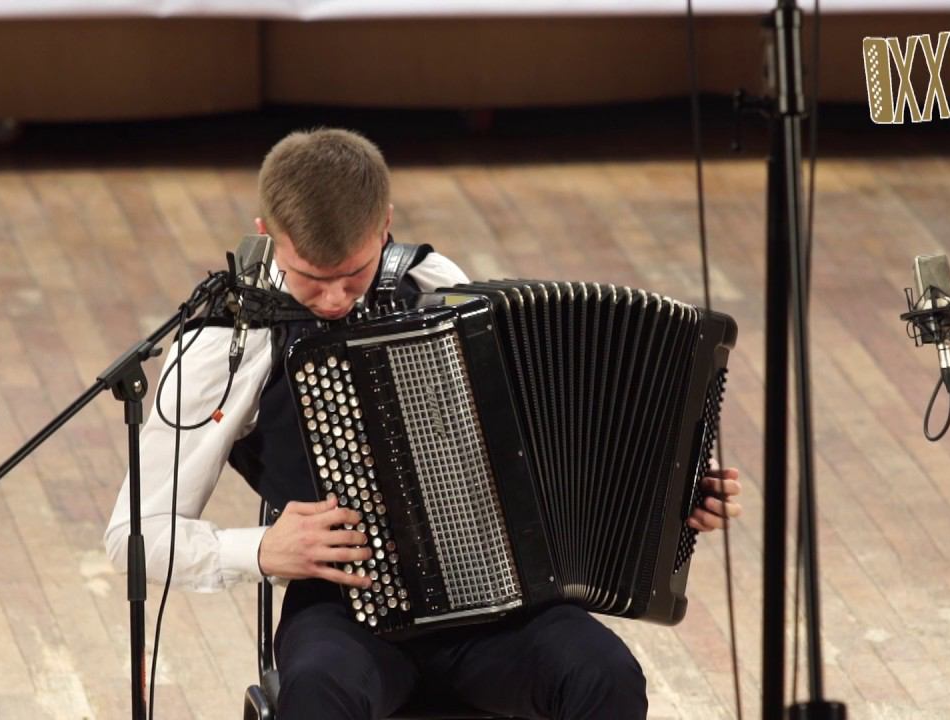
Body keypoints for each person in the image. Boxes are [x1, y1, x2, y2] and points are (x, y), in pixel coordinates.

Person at [104, 127, 743, 720]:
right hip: (345, 614)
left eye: (351, 276)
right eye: (310, 280)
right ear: (265, 232)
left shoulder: (434, 286)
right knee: (317, 692)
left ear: (384, 226)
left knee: (605, 675)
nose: (332, 301)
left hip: (499, 608)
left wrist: (670, 493)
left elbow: (533, 447)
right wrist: (261, 550)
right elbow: (132, 537)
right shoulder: (224, 344)